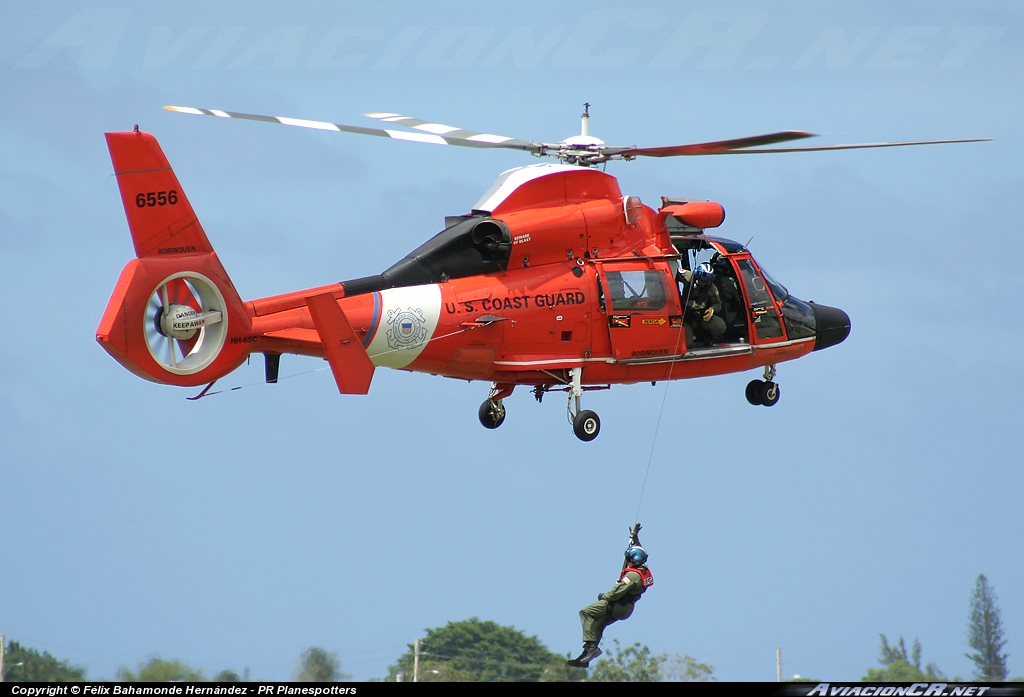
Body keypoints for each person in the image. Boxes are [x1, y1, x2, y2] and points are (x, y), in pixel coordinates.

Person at [568, 524, 654, 668]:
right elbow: (639, 552)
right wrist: (635, 537)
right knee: (598, 624)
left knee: (586, 613)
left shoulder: (632, 575)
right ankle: (586, 657)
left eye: (628, 557)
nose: (627, 560)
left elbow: (616, 593)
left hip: (617, 605)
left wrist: (604, 596)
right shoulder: (643, 570)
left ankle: (591, 649)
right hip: (625, 609)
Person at [679, 261, 727, 345]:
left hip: (701, 317)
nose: (703, 284)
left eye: (705, 282)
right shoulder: (688, 276)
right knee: (688, 343)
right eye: (701, 281)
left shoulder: (711, 288)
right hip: (685, 318)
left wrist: (712, 310)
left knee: (720, 326)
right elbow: (672, 273)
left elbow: (718, 304)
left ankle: (705, 336)